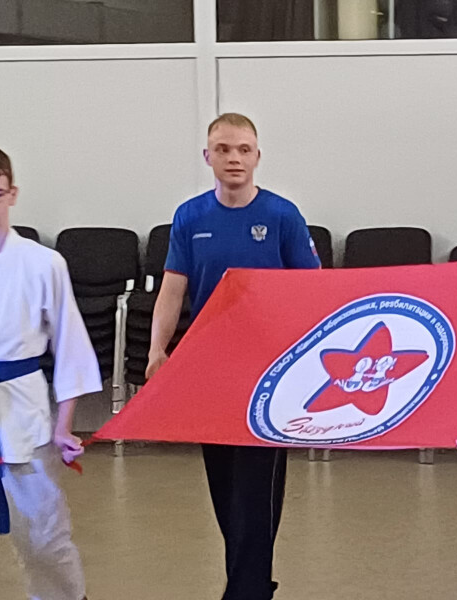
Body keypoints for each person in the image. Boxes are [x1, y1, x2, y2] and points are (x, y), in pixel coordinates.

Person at [146, 113, 321, 600]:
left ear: (257, 156)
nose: (234, 158)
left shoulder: (283, 216)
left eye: (244, 149)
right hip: (210, 371)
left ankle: (247, 591)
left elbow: (313, 292)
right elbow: (172, 289)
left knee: (256, 493)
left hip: (269, 372)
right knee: (225, 492)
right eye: (223, 149)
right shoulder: (190, 217)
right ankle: (249, 584)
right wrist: (158, 349)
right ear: (208, 157)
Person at [0, 145, 101, 600]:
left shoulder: (43, 263)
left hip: (25, 415)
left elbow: (70, 346)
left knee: (45, 542)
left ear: (12, 194)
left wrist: (64, 426)